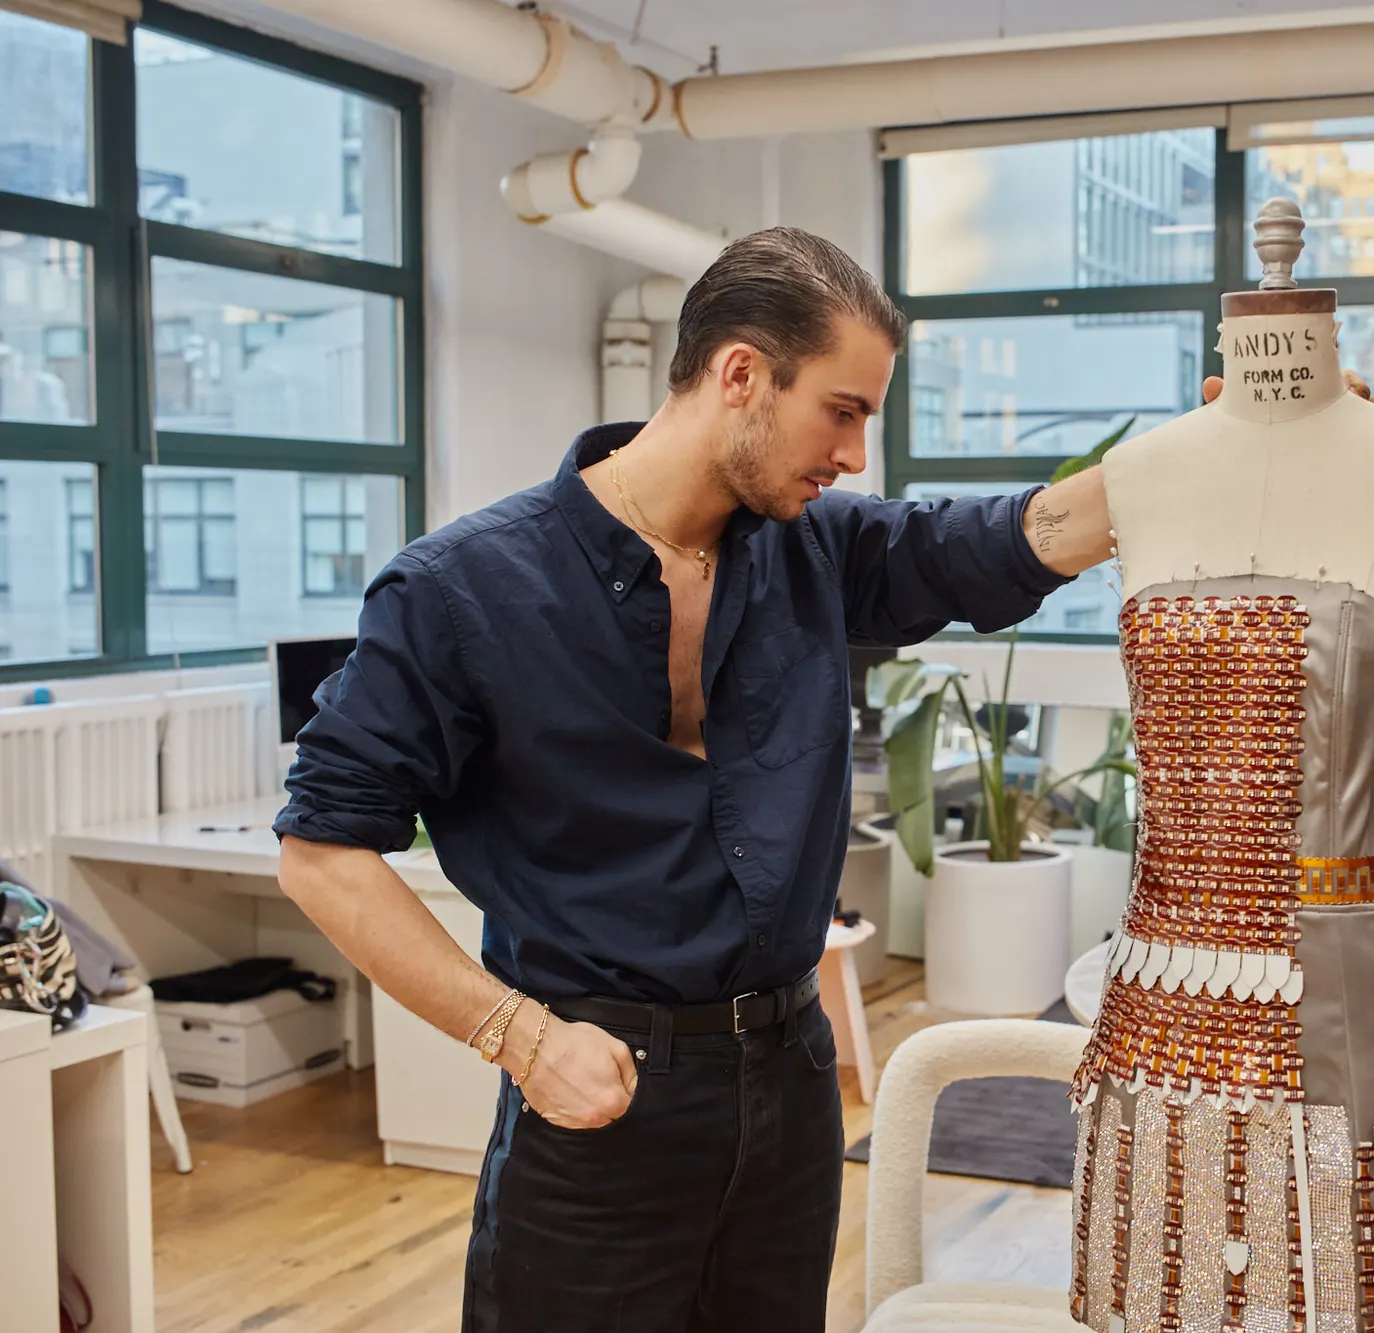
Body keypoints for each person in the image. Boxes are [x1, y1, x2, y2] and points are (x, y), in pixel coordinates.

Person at [273, 227, 1113, 1333]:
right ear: (740, 375)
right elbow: (322, 850)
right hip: (592, 1091)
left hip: (790, 1083)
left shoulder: (814, 549)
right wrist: (518, 1038)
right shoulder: (458, 590)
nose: (854, 455)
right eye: (844, 409)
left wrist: (1220, 450)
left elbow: (1000, 541)